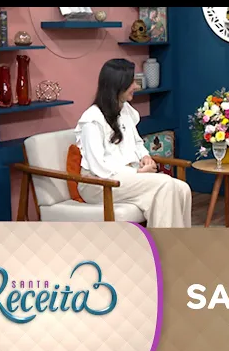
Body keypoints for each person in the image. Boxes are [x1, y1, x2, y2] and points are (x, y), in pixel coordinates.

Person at [74, 58, 192, 228]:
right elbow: (98, 166)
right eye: (132, 83)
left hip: (126, 176)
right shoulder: (92, 120)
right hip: (99, 183)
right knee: (165, 184)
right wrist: (137, 172)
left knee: (183, 189)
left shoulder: (125, 110)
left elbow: (136, 142)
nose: (136, 86)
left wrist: (145, 157)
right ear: (118, 85)